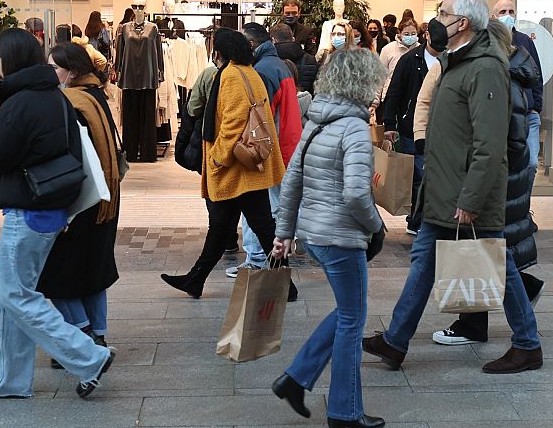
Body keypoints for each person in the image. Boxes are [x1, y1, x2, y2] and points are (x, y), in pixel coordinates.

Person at [361, 0, 543, 374]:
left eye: (443, 13)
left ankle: (528, 344)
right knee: (424, 261)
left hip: (466, 194)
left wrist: (472, 197)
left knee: (500, 264)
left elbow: (490, 143)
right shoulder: (456, 62)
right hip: (444, 190)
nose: (435, 21)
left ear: (462, 24)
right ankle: (395, 341)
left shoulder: (486, 68)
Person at [0, 28, 113, 399]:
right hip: (48, 209)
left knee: (17, 296)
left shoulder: (21, 102)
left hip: (28, 213)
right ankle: (7, 381)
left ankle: (89, 357)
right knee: (8, 296)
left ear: (13, 61)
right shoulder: (52, 97)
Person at [271, 48, 387, 428]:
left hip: (316, 233)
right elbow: (356, 193)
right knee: (353, 319)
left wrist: (284, 233)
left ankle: (296, 379)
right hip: (341, 236)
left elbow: (292, 180)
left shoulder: (317, 120)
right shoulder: (353, 127)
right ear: (362, 83)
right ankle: (344, 412)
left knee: (347, 313)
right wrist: (376, 226)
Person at [432, 18, 546, 346]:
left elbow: (500, 137)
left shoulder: (497, 74)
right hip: (503, 174)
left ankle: (494, 325)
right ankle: (489, 319)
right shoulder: (507, 71)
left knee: (485, 248)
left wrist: (480, 176)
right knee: (488, 249)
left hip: (498, 177)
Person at [160, 28, 290, 300]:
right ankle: (195, 280)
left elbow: (234, 121)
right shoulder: (250, 72)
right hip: (246, 168)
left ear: (221, 50)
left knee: (258, 227)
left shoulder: (231, 75)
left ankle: (286, 286)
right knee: (227, 227)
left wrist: (218, 156)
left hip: (236, 167)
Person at [39, 41, 122, 368]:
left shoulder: (70, 103)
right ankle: (97, 333)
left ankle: (82, 339)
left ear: (71, 71)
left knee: (60, 274)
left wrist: (62, 207)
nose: (51, 74)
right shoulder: (96, 95)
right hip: (105, 199)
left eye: (55, 68)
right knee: (93, 270)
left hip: (80, 202)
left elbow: (70, 159)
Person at [227, 23, 301, 298]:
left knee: (261, 211)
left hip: (274, 150)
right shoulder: (277, 64)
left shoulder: (262, 71)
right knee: (274, 209)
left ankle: (258, 260)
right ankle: (268, 262)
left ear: (249, 43)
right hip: (286, 145)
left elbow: (259, 119)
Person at [382, 28, 441, 236]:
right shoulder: (410, 60)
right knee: (419, 177)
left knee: (434, 176)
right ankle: (417, 220)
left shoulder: (451, 59)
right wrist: (390, 124)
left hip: (442, 129)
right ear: (427, 36)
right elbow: (394, 92)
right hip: (411, 128)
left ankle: (427, 219)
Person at [493, 0, 544, 191]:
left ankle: (524, 201)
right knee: (504, 166)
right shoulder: (489, 42)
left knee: (531, 163)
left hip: (528, 114)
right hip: (501, 115)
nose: (507, 15)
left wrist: (536, 106)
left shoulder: (525, 42)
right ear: (494, 16)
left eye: (511, 11)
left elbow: (536, 75)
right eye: (502, 11)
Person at [377, 18, 420, 101]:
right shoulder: (388, 49)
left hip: (414, 97)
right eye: (406, 34)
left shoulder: (421, 49)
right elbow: (380, 76)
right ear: (400, 33)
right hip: (391, 96)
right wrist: (375, 101)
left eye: (413, 34)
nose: (410, 36)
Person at [271, 23, 318, 95]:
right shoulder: (310, 59)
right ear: (293, 39)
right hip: (305, 102)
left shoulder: (268, 60)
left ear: (274, 40)